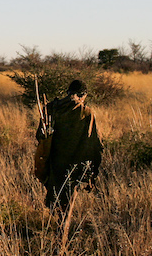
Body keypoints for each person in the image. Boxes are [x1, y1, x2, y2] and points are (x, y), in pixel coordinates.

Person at [34, 79, 104, 242]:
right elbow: (96, 144)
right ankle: (61, 242)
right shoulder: (86, 113)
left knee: (56, 200)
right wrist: (92, 173)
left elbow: (40, 136)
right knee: (67, 208)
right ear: (83, 95)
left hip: (53, 165)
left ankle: (57, 235)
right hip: (74, 167)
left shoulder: (51, 108)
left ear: (67, 93)